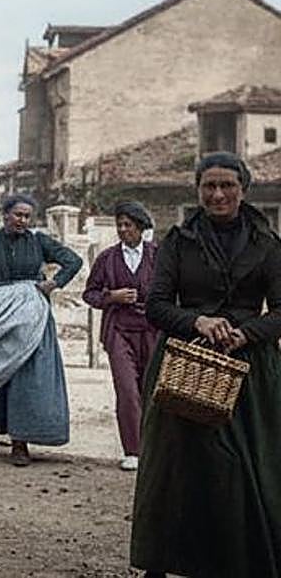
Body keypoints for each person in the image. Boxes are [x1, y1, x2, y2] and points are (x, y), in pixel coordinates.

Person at [131, 152, 281, 578]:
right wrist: (198, 321)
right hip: (186, 361)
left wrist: (247, 333)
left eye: (227, 186)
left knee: (246, 467)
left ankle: (243, 562)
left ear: (243, 190)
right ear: (197, 190)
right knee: (176, 467)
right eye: (208, 186)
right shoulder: (179, 242)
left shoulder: (268, 244)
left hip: (249, 370)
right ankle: (163, 561)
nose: (217, 195)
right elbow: (157, 305)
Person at [0, 193, 82, 466]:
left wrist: (53, 283)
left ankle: (20, 441)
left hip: (32, 312)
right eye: (18, 215)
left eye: (27, 216)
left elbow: (73, 261)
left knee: (26, 374)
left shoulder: (38, 241)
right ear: (5, 215)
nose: (22, 220)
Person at [81, 200, 158, 472]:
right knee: (127, 390)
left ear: (141, 227)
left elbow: (174, 291)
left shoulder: (157, 255)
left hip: (152, 331)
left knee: (152, 391)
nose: (123, 230)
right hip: (119, 331)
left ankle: (154, 451)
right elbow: (89, 294)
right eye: (120, 225)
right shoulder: (107, 258)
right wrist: (111, 296)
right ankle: (133, 451)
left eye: (129, 225)